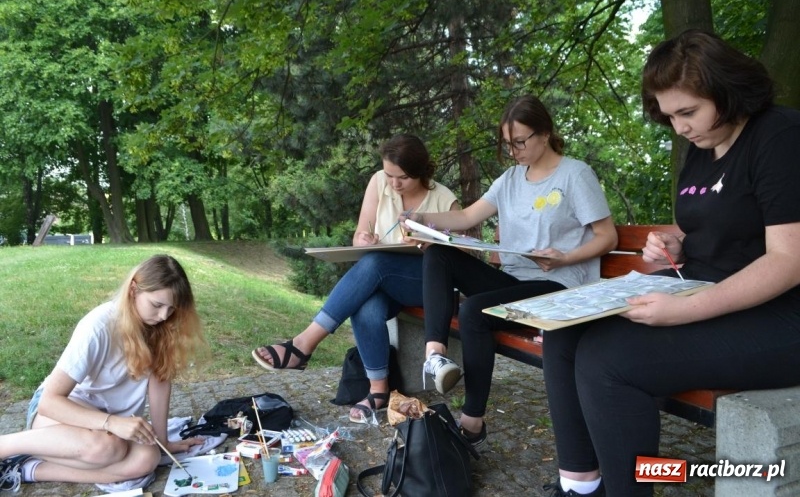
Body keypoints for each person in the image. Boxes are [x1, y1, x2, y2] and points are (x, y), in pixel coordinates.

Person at [541, 29, 800, 497]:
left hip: (782, 316)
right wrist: (674, 243)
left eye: (688, 111)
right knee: (565, 332)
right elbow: (717, 224)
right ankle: (581, 486)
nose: (680, 127)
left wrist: (682, 310)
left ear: (727, 88)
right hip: (708, 292)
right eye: (669, 116)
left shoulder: (781, 137)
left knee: (608, 361)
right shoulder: (701, 147)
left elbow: (788, 260)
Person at [404, 95, 618, 450]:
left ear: (544, 133)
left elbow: (607, 236)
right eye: (508, 144)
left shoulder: (575, 174)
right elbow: (466, 218)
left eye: (520, 141)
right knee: (439, 253)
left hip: (558, 286)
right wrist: (420, 219)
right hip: (515, 282)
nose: (514, 150)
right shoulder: (510, 179)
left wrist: (566, 257)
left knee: (474, 310)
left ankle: (472, 423)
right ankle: (435, 356)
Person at [252, 133, 458, 423]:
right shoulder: (378, 182)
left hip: (427, 284)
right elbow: (360, 235)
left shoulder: (445, 199)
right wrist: (364, 239)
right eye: (390, 175)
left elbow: (460, 257)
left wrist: (428, 244)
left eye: (403, 178)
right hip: (385, 278)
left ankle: (303, 345)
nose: (394, 184)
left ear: (422, 171)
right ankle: (378, 391)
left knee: (377, 263)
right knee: (367, 303)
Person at [0, 255, 207, 492]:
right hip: (60, 413)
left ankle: (28, 469)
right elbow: (50, 402)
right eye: (157, 305)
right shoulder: (99, 326)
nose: (163, 316)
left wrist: (163, 441)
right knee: (108, 448)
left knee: (148, 459)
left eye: (172, 309)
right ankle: (6, 446)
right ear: (133, 290)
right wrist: (112, 423)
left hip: (108, 424)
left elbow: (159, 383)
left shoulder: (161, 328)